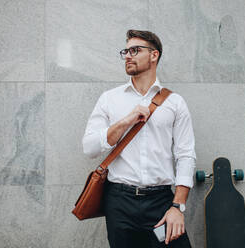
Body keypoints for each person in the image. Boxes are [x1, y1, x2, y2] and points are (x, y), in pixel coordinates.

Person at [82, 29, 196, 248]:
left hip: (161, 202)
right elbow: (89, 148)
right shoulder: (110, 99)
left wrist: (178, 206)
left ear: (154, 55)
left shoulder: (175, 102)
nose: (127, 56)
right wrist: (126, 121)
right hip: (119, 202)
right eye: (125, 51)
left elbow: (185, 155)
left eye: (135, 50)